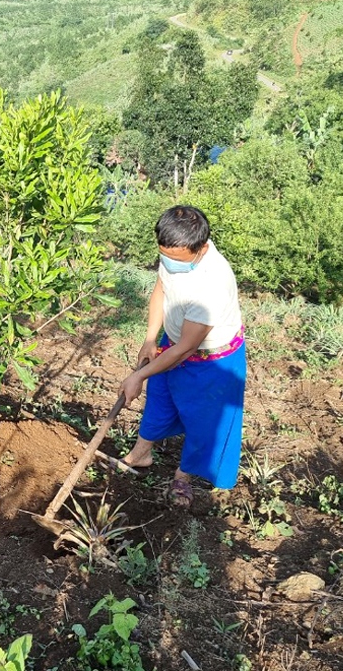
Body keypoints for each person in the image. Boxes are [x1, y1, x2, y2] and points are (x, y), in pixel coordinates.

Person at [118, 205, 246, 506]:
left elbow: (186, 348)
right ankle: (140, 454)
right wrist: (150, 339)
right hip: (172, 342)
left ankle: (182, 477)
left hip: (212, 361)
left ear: (201, 249)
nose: (169, 263)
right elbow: (161, 290)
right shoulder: (173, 253)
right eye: (165, 256)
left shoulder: (212, 284)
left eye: (176, 260)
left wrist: (138, 375)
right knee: (160, 399)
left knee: (204, 422)